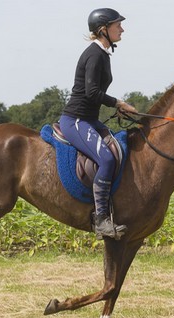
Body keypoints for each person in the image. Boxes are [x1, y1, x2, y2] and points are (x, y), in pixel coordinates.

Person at [59, 8, 137, 240]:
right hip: (76, 120)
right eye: (117, 25)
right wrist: (118, 103)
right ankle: (101, 219)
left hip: (90, 119)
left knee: (119, 149)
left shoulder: (103, 53)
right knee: (106, 158)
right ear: (104, 29)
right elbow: (92, 92)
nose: (122, 28)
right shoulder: (94, 54)